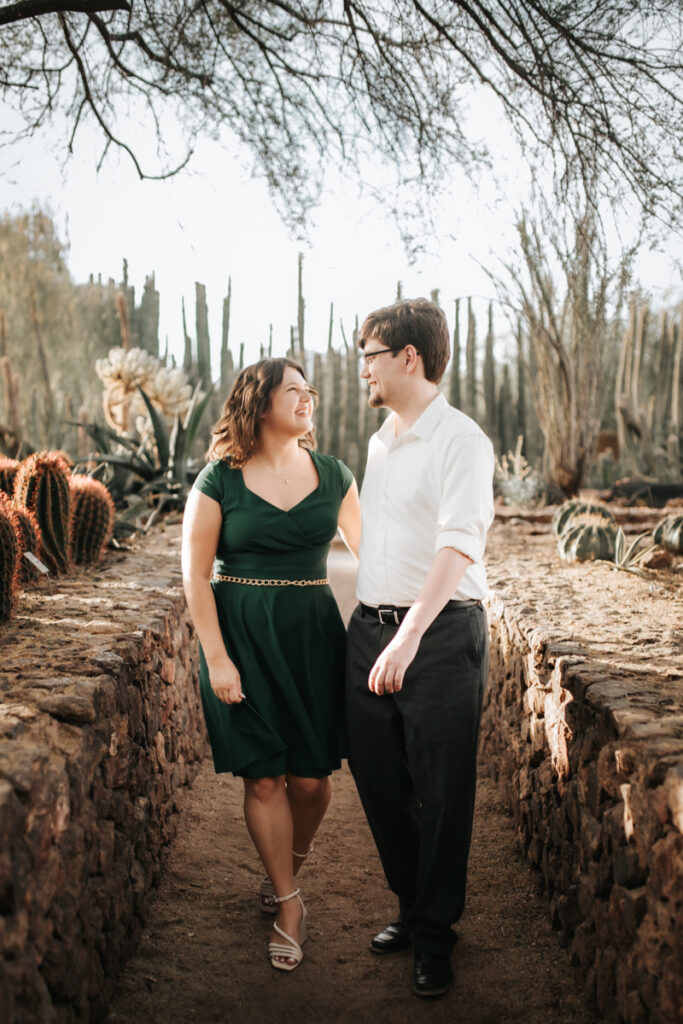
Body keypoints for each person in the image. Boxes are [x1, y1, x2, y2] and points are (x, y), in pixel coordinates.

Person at [182, 357, 360, 972]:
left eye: (309, 389)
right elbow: (195, 575)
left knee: (312, 781)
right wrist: (217, 659)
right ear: (259, 404)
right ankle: (289, 901)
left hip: (313, 639)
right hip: (241, 640)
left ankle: (293, 857)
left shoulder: (336, 475)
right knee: (264, 777)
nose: (307, 397)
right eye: (293, 390)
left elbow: (378, 555)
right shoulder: (219, 479)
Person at [345, 298, 494, 998]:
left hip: (434, 636)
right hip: (369, 631)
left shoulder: (459, 440)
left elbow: (456, 545)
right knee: (379, 782)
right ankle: (411, 906)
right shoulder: (380, 442)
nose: (361, 369)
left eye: (369, 354)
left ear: (409, 357)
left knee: (441, 792)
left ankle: (434, 936)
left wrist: (407, 638)